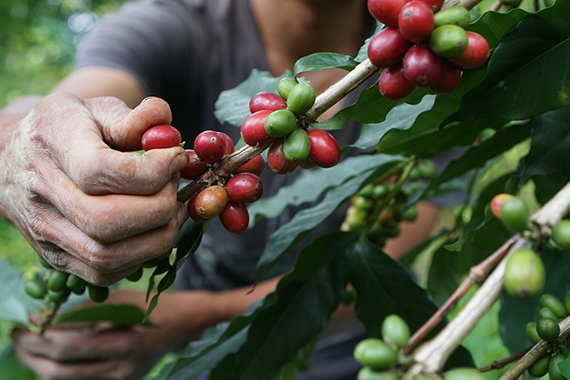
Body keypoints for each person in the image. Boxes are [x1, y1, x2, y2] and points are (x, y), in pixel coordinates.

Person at [1, 0, 443, 379]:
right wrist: (20, 150)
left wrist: (195, 318)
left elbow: (381, 262)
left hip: (352, 353)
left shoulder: (432, 76)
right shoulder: (177, 24)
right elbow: (53, 108)